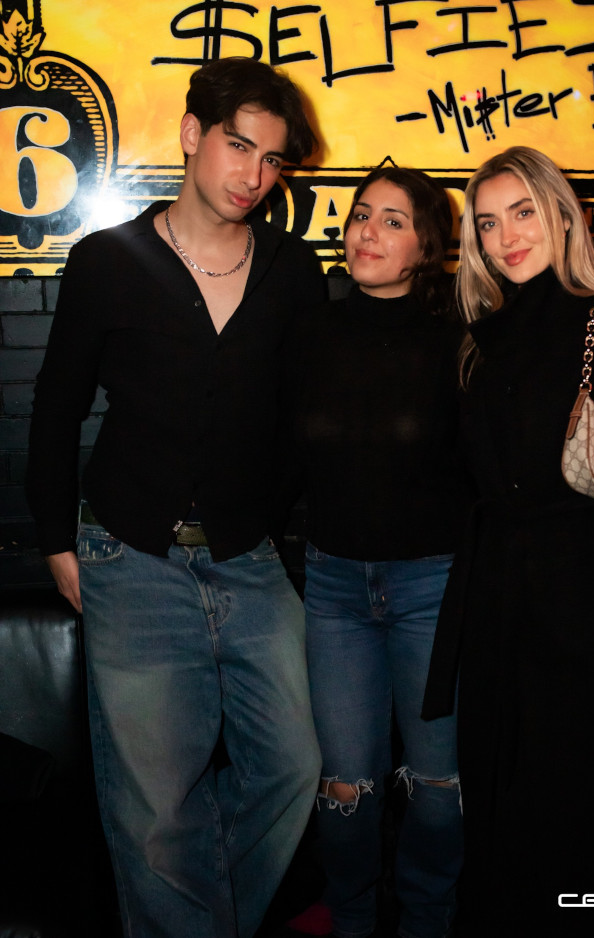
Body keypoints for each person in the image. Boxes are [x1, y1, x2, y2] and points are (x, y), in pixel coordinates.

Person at [26, 57, 324, 938]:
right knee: (155, 810)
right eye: (238, 145)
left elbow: (302, 417)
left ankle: (199, 915)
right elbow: (56, 407)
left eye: (272, 159)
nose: (254, 175)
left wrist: (265, 516)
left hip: (248, 556)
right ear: (193, 135)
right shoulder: (106, 260)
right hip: (128, 553)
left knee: (293, 766)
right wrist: (56, 539)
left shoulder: (292, 269)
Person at [422, 147, 594, 932]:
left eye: (523, 213)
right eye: (487, 223)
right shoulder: (482, 335)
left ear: (563, 215)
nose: (506, 236)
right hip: (499, 604)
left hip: (586, 604)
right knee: (501, 808)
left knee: (574, 813)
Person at [288, 167, 467, 938]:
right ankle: (352, 917)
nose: (368, 231)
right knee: (344, 790)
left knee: (438, 788)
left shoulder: (461, 338)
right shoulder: (310, 331)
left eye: (394, 221)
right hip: (334, 590)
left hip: (433, 588)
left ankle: (428, 919)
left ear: (426, 246)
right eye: (362, 214)